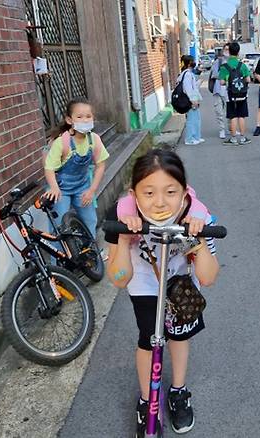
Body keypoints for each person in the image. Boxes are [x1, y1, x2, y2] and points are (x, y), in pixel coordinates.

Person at [105, 149, 220, 436]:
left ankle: (178, 390)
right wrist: (122, 236)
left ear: (183, 192)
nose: (159, 203)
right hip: (143, 279)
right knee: (149, 337)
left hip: (179, 278)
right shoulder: (121, 214)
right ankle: (147, 400)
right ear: (134, 193)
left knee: (180, 335)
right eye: (148, 192)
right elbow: (119, 279)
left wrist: (198, 241)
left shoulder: (196, 214)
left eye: (170, 191)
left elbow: (208, 277)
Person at [43, 97, 109, 238]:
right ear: (69, 120)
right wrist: (54, 188)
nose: (85, 120)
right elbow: (49, 168)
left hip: (82, 186)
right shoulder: (62, 142)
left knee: (90, 220)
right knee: (59, 226)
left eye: (88, 116)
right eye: (79, 116)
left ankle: (92, 254)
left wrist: (91, 190)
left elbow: (101, 165)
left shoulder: (94, 139)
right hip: (61, 188)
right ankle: (59, 258)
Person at [219, 42, 252, 146]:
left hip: (230, 95)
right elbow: (248, 79)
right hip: (242, 94)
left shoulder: (224, 66)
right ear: (238, 52)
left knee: (233, 116)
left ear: (229, 52)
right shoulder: (243, 66)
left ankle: (233, 139)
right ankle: (242, 138)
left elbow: (222, 82)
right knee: (241, 116)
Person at [179, 55, 204, 146]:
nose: (194, 63)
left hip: (192, 98)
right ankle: (189, 139)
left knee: (196, 118)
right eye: (192, 61)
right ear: (189, 63)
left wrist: (198, 82)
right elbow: (188, 89)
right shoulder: (187, 74)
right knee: (192, 119)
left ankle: (196, 137)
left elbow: (192, 87)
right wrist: (193, 100)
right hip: (190, 100)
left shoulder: (188, 73)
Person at [209, 45, 230, 139]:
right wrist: (226, 77)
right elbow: (214, 75)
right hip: (218, 89)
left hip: (230, 90)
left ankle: (231, 128)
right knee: (219, 112)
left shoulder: (233, 62)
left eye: (229, 49)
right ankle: (222, 130)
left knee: (230, 111)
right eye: (225, 49)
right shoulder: (219, 61)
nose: (227, 51)